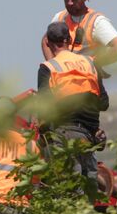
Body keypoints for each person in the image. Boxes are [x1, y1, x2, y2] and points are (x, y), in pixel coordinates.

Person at [38, 22, 109, 195]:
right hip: (89, 136)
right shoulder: (91, 64)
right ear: (69, 40)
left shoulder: (48, 68)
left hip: (63, 134)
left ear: (47, 43)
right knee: (87, 194)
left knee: (65, 193)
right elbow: (104, 103)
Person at [41, 0, 117, 69]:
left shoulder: (97, 22)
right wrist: (54, 68)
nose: (70, 3)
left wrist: (90, 64)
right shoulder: (59, 18)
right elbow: (45, 41)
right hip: (64, 80)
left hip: (87, 80)